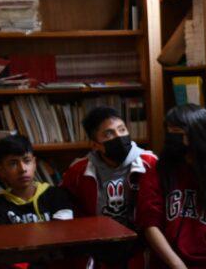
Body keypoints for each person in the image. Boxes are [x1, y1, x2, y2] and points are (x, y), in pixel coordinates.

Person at [137, 104, 206, 269]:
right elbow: (150, 224)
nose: (171, 138)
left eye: (177, 132)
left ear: (198, 135)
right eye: (169, 132)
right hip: (170, 261)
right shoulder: (157, 172)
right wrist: (178, 266)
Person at [61, 106, 156, 267]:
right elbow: (66, 204)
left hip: (139, 247)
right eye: (109, 134)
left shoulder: (150, 163)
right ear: (95, 145)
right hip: (97, 248)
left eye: (122, 129)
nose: (119, 137)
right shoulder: (78, 171)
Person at [0, 134, 73, 226]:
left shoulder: (57, 196)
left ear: (34, 163)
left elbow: (63, 231)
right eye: (13, 163)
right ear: (1, 170)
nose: (22, 169)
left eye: (27, 161)